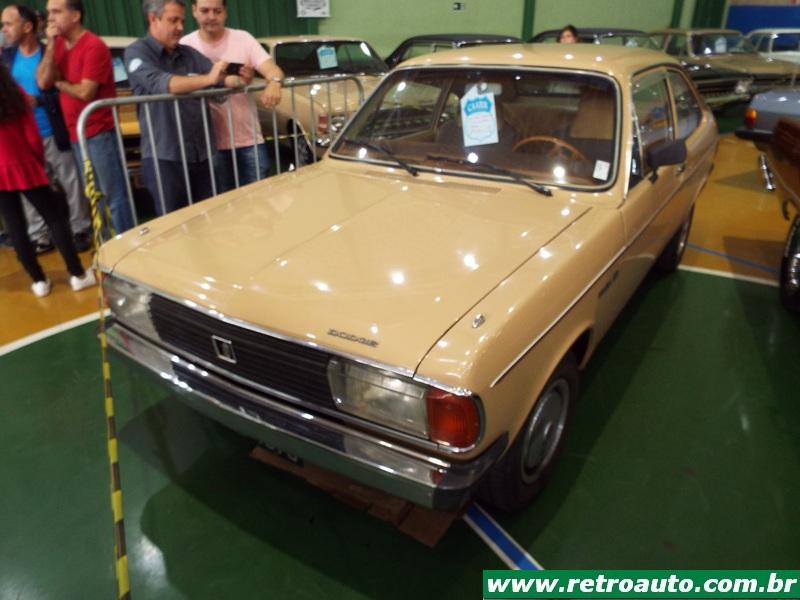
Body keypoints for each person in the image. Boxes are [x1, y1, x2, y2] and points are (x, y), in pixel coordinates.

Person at [125, 0, 252, 215]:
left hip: (201, 153)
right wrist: (208, 79)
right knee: (174, 222)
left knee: (210, 217)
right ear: (153, 19)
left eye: (182, 21)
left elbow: (220, 80)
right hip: (165, 157)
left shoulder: (189, 54)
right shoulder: (137, 52)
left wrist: (240, 80)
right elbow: (163, 84)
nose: (180, 27)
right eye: (173, 21)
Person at [36, 0, 135, 236]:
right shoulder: (58, 44)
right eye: (49, 12)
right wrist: (50, 45)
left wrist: (59, 83)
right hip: (76, 133)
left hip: (99, 132)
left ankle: (126, 246)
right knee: (94, 194)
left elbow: (85, 92)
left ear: (75, 16)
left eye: (56, 12)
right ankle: (105, 245)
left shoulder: (93, 45)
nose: (51, 18)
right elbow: (42, 81)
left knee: (114, 195)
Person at [1, 4, 91, 253]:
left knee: (70, 182)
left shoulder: (50, 52)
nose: (4, 30)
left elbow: (61, 86)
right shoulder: (6, 59)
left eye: (8, 24)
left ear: (27, 27)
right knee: (30, 187)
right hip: (22, 138)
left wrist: (38, 101)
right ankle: (39, 235)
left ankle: (80, 229)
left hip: (52, 130)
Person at [0, 62, 95, 297]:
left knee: (15, 226)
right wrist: (37, 160)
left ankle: (39, 281)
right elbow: (32, 134)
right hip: (24, 163)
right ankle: (77, 274)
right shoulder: (12, 92)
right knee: (55, 218)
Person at [181, 0, 283, 192]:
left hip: (248, 139)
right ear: (194, 11)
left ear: (225, 12)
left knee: (260, 196)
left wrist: (275, 82)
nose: (211, 16)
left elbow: (272, 69)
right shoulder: (185, 45)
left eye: (217, 11)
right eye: (205, 10)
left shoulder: (243, 39)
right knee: (221, 201)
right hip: (208, 144)